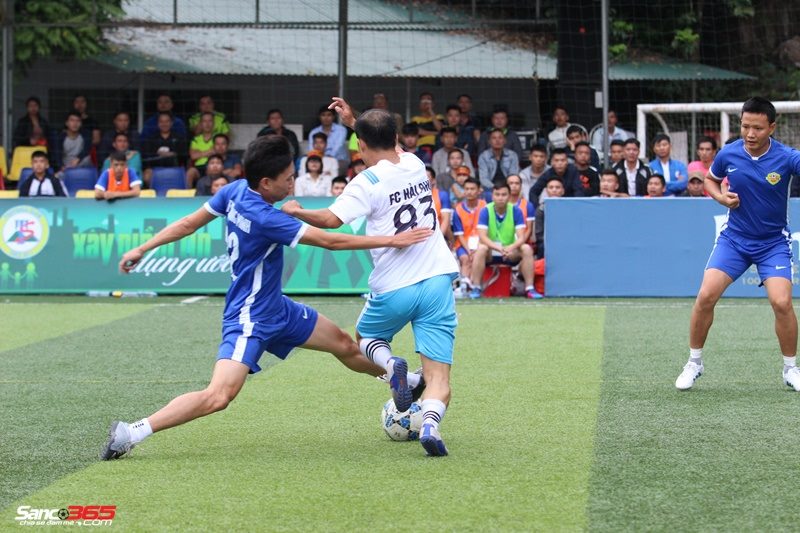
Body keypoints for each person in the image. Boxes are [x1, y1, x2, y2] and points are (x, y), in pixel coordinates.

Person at [101, 135, 431, 460]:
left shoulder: (232, 190)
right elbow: (332, 242)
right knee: (219, 396)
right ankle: (132, 432)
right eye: (288, 179)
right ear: (265, 183)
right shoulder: (267, 219)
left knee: (344, 344)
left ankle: (408, 381)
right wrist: (393, 240)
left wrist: (144, 248)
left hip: (278, 308)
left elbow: (189, 224)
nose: (293, 183)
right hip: (250, 318)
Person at [281, 97, 460, 456]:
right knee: (438, 378)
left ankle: (389, 364)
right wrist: (354, 120)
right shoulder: (414, 162)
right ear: (396, 137)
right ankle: (429, 424)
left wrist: (298, 209)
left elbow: (332, 221)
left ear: (360, 144)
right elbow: (383, 139)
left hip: (395, 285)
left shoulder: (366, 182)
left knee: (367, 337)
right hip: (439, 279)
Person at [675, 97, 800, 392]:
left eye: (757, 128)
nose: (750, 133)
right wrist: (720, 197)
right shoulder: (728, 153)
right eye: (745, 126)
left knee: (782, 302)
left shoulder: (786, 157)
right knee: (705, 296)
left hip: (773, 243)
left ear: (771, 127)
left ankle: (790, 369)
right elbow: (710, 180)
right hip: (735, 240)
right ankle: (694, 363)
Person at [468, 182, 540, 300]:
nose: (500, 198)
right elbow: (482, 237)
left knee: (526, 248)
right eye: (497, 194)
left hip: (509, 252)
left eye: (504, 194)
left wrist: (510, 248)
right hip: (491, 252)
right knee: (481, 248)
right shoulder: (485, 210)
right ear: (492, 196)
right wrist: (498, 248)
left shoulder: (516, 211)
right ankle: (476, 287)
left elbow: (521, 237)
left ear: (509, 196)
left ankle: (529, 289)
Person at [451, 177, 486, 290]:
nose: (469, 192)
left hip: (481, 243)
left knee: (477, 256)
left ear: (479, 190)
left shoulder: (485, 207)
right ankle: (464, 286)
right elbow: (459, 235)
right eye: (466, 189)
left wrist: (476, 249)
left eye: (472, 189)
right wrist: (469, 250)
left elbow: (487, 230)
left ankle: (474, 285)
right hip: (463, 244)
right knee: (465, 259)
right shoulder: (458, 209)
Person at [141, 112, 188, 186]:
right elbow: (147, 156)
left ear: (171, 123)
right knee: (147, 176)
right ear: (158, 123)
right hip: (155, 168)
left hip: (175, 169)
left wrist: (173, 154)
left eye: (167, 121)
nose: (164, 124)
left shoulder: (179, 138)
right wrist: (158, 154)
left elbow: (184, 155)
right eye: (161, 121)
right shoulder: (151, 139)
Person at [477, 129, 519, 194]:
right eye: (494, 138)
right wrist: (497, 189)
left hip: (508, 188)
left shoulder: (512, 155)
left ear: (505, 141)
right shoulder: (483, 156)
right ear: (489, 141)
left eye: (500, 137)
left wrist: (505, 189)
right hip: (490, 189)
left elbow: (513, 175)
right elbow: (483, 179)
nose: (497, 140)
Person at [534, 176, 566, 259]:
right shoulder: (541, 209)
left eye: (557, 187)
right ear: (546, 191)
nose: (554, 190)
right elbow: (539, 233)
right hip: (546, 242)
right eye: (551, 187)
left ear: (563, 191)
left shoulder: (569, 208)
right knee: (542, 247)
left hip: (565, 241)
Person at [187, 112, 218, 185]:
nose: (207, 124)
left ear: (213, 123)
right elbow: (193, 156)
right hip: (199, 167)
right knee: (191, 171)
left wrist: (199, 153)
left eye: (210, 121)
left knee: (211, 170)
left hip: (213, 165)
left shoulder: (217, 138)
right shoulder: (196, 139)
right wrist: (209, 151)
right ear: (200, 124)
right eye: (204, 121)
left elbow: (217, 151)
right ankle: (188, 194)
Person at [506, 174, 536, 242]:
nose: (514, 186)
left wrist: (519, 243)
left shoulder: (528, 205)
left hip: (522, 241)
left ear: (521, 186)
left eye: (517, 183)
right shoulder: (500, 204)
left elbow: (529, 229)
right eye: (511, 183)